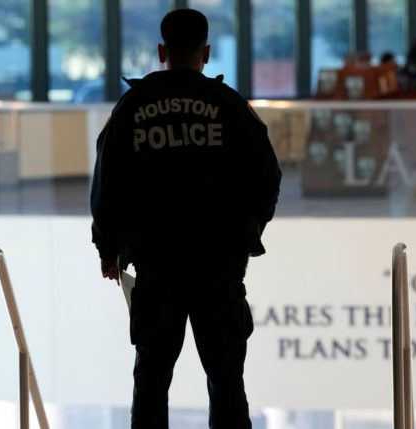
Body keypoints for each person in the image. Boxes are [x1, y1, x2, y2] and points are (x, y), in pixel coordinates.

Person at [90, 8, 282, 429]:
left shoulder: (131, 109)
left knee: (152, 379)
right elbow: (268, 179)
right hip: (219, 266)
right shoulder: (230, 107)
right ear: (207, 52)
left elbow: (107, 184)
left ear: (162, 50)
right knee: (227, 379)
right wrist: (248, 233)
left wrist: (109, 248)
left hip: (157, 267)